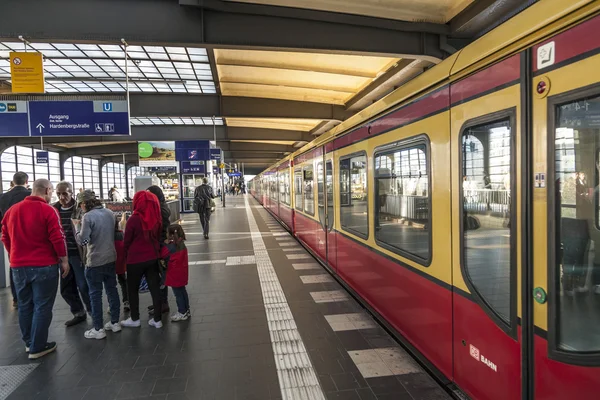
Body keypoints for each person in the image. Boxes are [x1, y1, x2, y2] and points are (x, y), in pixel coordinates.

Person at [1, 179, 69, 359]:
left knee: (24, 305)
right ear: (47, 190)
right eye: (52, 191)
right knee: (43, 306)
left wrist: (12, 254)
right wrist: (64, 260)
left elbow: (4, 236)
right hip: (44, 266)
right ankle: (38, 346)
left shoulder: (11, 211)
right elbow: (57, 237)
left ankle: (29, 342)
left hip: (18, 267)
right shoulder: (48, 210)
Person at [73, 190, 121, 339]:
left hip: (94, 261)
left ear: (84, 203)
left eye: (80, 205)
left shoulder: (88, 216)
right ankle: (114, 322)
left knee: (95, 294)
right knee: (112, 290)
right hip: (110, 257)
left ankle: (98, 328)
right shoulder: (109, 213)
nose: (81, 208)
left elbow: (83, 241)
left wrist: (77, 228)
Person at [121, 191, 164, 329]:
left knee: (132, 289)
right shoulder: (156, 218)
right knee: (155, 288)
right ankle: (157, 320)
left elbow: (126, 241)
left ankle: (135, 318)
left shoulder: (134, 219)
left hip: (135, 260)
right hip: (152, 257)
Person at [52, 181, 92, 327]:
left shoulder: (80, 209)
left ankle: (93, 312)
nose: (62, 197)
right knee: (65, 288)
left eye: (65, 193)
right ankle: (78, 312)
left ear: (71, 193)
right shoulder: (53, 209)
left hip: (77, 254)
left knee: (83, 285)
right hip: (62, 255)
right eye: (58, 194)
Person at [0, 172, 32, 308]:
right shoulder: (30, 195)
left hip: (11, 236)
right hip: (30, 235)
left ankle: (17, 297)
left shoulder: (2, 197)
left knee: (14, 264)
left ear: (12, 182)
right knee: (33, 263)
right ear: (27, 181)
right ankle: (31, 294)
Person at [147, 185, 171, 315]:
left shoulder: (161, 209)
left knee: (160, 275)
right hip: (158, 244)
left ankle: (163, 303)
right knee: (157, 275)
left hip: (160, 245)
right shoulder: (161, 206)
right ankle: (159, 301)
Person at [165, 224, 190, 321]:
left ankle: (182, 312)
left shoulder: (171, 247)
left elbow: (163, 253)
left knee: (178, 294)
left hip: (174, 274)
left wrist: (166, 244)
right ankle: (186, 310)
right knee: (183, 291)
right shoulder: (181, 244)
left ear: (171, 235)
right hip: (181, 273)